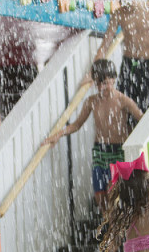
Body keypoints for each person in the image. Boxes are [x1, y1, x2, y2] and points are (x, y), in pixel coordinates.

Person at [42, 59, 143, 214]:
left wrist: (135, 136)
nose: (106, 87)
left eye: (110, 82)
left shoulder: (123, 100)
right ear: (95, 83)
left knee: (113, 189)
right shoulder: (92, 101)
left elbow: (142, 118)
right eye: (102, 84)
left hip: (118, 150)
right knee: (99, 194)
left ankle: (118, 222)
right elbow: (76, 124)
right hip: (100, 150)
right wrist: (58, 134)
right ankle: (108, 223)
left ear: (114, 79)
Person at [94, 0, 149, 113]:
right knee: (124, 107)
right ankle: (130, 129)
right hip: (129, 65)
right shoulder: (119, 14)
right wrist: (94, 72)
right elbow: (104, 46)